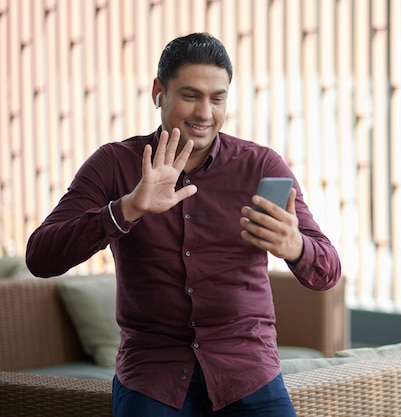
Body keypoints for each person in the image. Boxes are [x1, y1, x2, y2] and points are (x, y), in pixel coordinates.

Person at [25, 32, 342, 417]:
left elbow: (327, 272)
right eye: (191, 95)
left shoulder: (260, 165)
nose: (205, 114)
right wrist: (126, 208)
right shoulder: (114, 165)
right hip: (153, 373)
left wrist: (296, 246)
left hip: (246, 370)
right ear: (159, 91)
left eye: (218, 98)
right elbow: (40, 258)